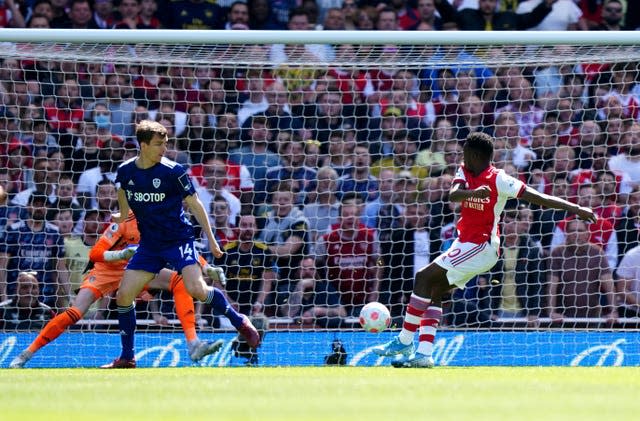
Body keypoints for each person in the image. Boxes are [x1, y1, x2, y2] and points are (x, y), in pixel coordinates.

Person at [373, 132, 597, 368]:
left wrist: (576, 208)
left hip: (482, 246)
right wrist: (473, 194)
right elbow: (453, 195)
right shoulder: (464, 170)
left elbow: (538, 197)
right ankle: (424, 354)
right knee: (435, 289)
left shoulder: (500, 179)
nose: (463, 158)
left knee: (423, 277)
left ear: (476, 155)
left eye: (466, 154)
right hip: (464, 242)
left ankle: (404, 340)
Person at [102, 120, 260, 368]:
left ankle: (239, 321)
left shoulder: (174, 171)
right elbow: (124, 208)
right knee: (123, 295)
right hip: (150, 245)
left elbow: (196, 206)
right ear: (143, 145)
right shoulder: (125, 172)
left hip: (178, 240)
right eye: (158, 145)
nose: (164, 149)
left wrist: (212, 240)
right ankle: (127, 357)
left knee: (196, 288)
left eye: (165, 144)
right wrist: (118, 219)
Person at [9, 212, 225, 369]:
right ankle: (25, 355)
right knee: (75, 313)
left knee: (179, 281)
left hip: (137, 269)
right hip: (105, 271)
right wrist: (121, 255)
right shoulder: (123, 221)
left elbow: (183, 250)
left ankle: (192, 342)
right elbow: (95, 254)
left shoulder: (161, 222)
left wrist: (205, 266)